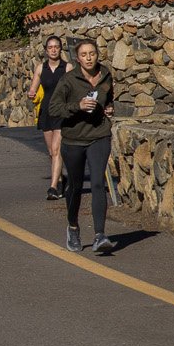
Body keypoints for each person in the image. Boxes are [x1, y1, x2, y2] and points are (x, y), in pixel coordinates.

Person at [46, 38, 118, 255]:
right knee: (75, 187)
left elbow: (109, 98)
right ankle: (73, 227)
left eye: (92, 53)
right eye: (84, 54)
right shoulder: (69, 80)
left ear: (97, 55)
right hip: (74, 139)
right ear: (77, 58)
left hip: (99, 135)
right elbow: (53, 107)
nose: (89, 58)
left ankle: (99, 235)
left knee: (97, 182)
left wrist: (109, 108)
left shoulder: (105, 75)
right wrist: (76, 106)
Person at [28, 36, 72, 200]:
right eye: (50, 47)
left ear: (61, 49)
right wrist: (31, 94)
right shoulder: (41, 68)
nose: (53, 50)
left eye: (56, 47)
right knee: (50, 152)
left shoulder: (67, 68)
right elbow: (33, 89)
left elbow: (73, 88)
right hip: (46, 111)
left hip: (61, 111)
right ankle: (61, 179)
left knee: (56, 150)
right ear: (46, 50)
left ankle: (53, 187)